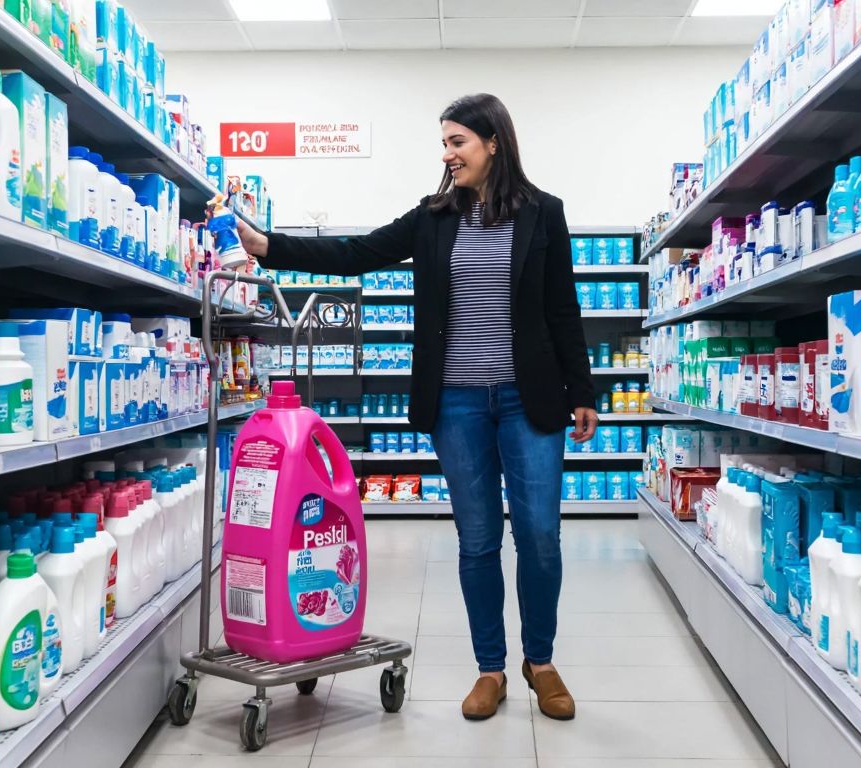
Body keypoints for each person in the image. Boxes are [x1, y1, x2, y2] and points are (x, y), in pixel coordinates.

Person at [233, 93, 597, 722]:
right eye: (445, 142)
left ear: (493, 144)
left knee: (539, 536)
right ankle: (491, 668)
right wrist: (271, 246)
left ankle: (540, 661)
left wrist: (583, 391)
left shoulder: (545, 214)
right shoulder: (433, 217)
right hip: (455, 401)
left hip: (529, 399)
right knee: (478, 539)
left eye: (458, 141)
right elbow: (357, 254)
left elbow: (563, 309)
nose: (448, 154)